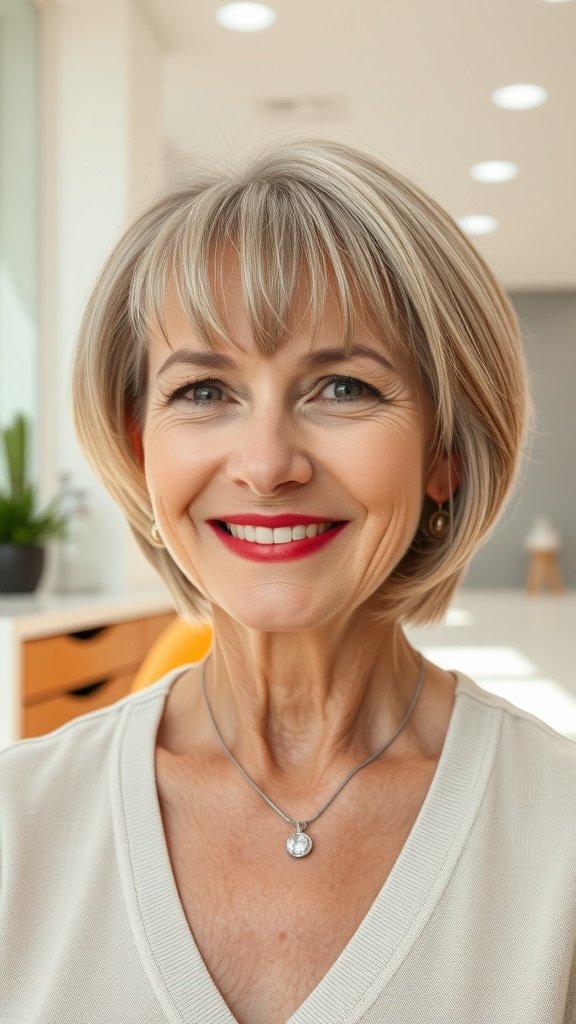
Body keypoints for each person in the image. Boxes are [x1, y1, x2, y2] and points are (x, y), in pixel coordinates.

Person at [1, 139, 575, 1024]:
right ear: (140, 446)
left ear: (445, 453)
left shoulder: (558, 836)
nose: (267, 465)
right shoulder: (20, 822)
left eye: (341, 387)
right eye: (204, 392)